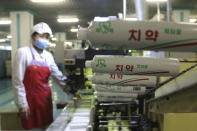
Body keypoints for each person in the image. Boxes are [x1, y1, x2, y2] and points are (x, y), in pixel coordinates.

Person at [12, 22, 70, 130]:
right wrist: (22, 104)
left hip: (45, 100)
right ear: (33, 36)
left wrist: (68, 87)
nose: (44, 39)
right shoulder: (23, 52)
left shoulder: (48, 56)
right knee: (33, 128)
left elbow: (57, 74)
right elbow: (17, 81)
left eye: (47, 37)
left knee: (47, 127)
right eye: (41, 36)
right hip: (30, 101)